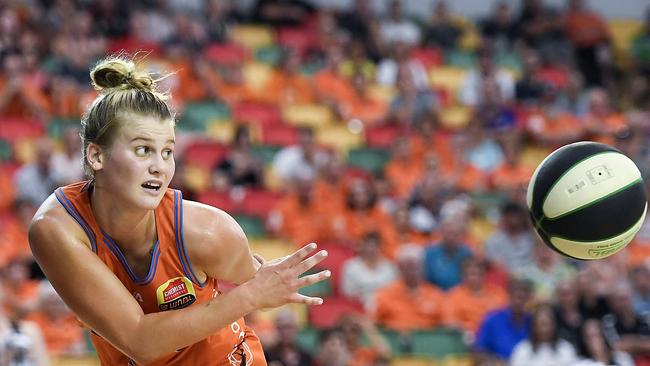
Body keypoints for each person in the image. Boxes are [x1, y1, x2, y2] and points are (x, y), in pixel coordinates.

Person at [27, 56, 331, 365]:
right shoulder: (57, 228)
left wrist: (261, 285)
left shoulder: (209, 231)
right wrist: (250, 296)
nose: (159, 167)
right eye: (143, 150)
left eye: (168, 152)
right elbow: (139, 340)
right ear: (96, 155)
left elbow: (256, 278)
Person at [509, 304, 578, 366]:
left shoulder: (566, 349)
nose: (543, 329)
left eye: (546, 324)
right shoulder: (522, 350)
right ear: (533, 326)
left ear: (554, 325)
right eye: (539, 324)